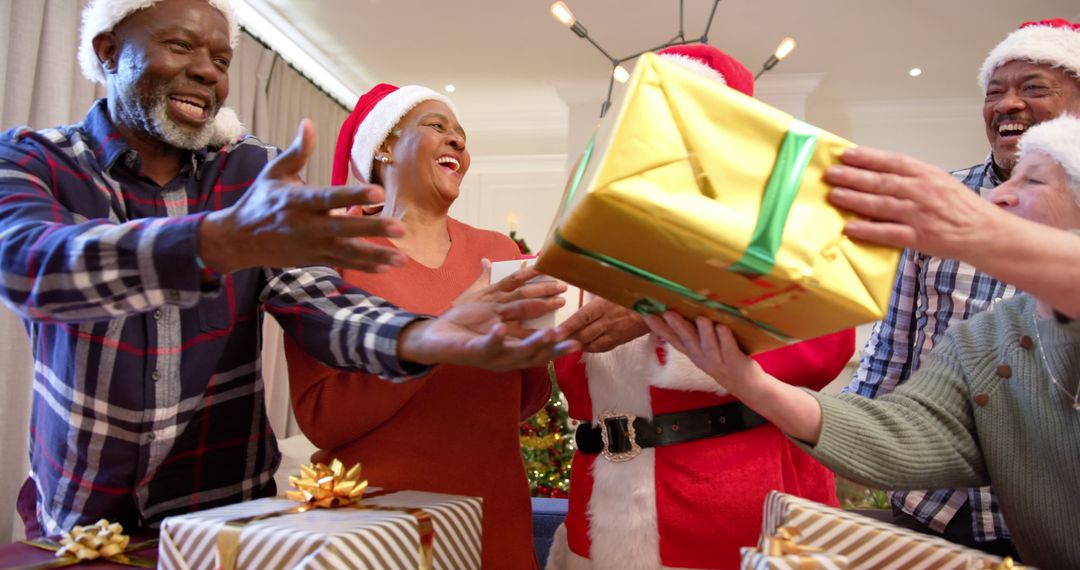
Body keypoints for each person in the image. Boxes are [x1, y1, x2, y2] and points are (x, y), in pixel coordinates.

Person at [0, 0, 575, 537]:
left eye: (221, 60)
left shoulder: (251, 173)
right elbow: (29, 265)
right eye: (180, 46)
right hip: (79, 519)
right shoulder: (33, 158)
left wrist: (424, 335)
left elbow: (320, 304)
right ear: (107, 52)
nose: (207, 71)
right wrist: (214, 242)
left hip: (229, 520)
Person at [645, 113, 1080, 570]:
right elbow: (902, 434)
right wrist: (748, 381)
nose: (999, 193)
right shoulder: (984, 340)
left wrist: (985, 236)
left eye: (1034, 180)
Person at [545, 44, 855, 570]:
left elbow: (822, 345)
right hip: (603, 509)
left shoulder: (774, 218)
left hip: (734, 503)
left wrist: (656, 311)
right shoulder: (595, 229)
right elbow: (576, 382)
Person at [283, 83, 559, 569]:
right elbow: (321, 416)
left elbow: (524, 399)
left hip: (493, 521)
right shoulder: (330, 247)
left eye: (462, 135)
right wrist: (440, 334)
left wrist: (539, 347)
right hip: (375, 529)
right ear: (385, 146)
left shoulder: (497, 252)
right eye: (437, 127)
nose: (457, 141)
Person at [843, 18, 1080, 556]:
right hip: (932, 505)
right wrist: (855, 441)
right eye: (994, 92)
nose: (1007, 104)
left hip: (1054, 518)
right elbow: (894, 344)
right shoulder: (940, 196)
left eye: (1034, 87)